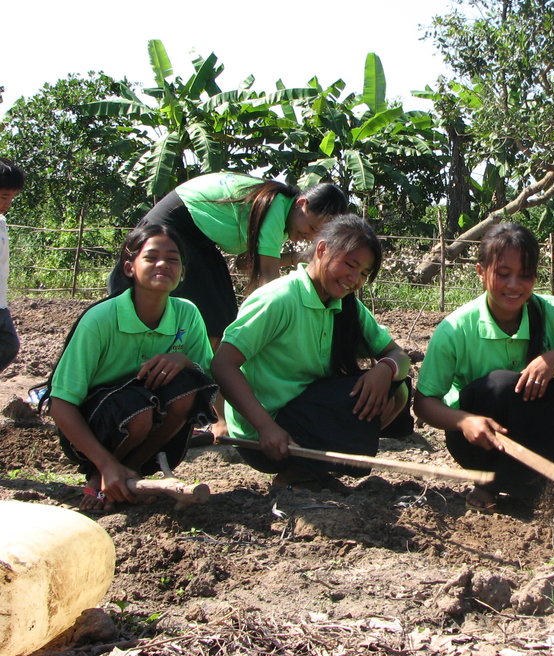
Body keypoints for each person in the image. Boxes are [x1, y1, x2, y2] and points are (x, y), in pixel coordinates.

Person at [413, 223, 554, 517]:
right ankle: (491, 483)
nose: (514, 285)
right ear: (481, 272)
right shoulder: (455, 329)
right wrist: (464, 421)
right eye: (503, 273)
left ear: (535, 276)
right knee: (500, 383)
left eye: (525, 275)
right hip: (485, 439)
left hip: (537, 426)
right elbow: (424, 403)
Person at [211, 214, 411, 489]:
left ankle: (310, 469)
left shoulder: (346, 306)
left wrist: (385, 369)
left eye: (364, 274)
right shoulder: (279, 300)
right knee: (374, 391)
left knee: (396, 387)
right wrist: (265, 427)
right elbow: (223, 364)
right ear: (321, 250)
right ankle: (299, 469)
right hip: (264, 433)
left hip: (308, 412)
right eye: (350, 265)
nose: (354, 279)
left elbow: (399, 356)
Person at [47, 225, 217, 511]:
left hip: (149, 429)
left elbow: (208, 378)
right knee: (138, 408)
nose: (163, 264)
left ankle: (132, 470)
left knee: (188, 384)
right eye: (151, 257)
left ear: (183, 272)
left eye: (173, 259)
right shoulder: (100, 319)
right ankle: (101, 474)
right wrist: (104, 463)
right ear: (129, 267)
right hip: (94, 430)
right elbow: (61, 403)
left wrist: (185, 361)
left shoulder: (187, 313)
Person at [110, 172, 348, 343]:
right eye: (312, 227)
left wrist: (294, 258)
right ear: (302, 204)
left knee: (222, 311)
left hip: (197, 236)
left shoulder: (280, 213)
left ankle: (207, 370)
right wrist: (283, 325)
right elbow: (267, 278)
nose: (310, 236)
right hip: (175, 223)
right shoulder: (276, 206)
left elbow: (245, 264)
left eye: (318, 234)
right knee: (212, 314)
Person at [0, 158, 25, 375]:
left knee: (9, 346)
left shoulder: (1, 223)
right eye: (4, 197)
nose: (8, 204)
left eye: (11, 198)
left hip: (0, 301)